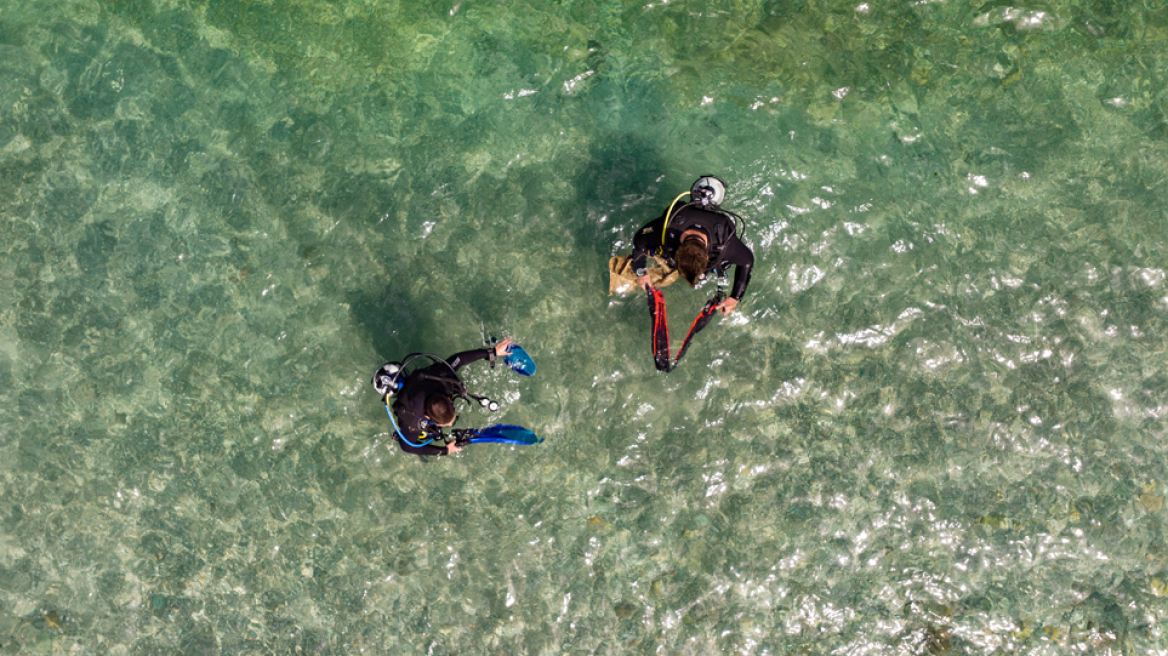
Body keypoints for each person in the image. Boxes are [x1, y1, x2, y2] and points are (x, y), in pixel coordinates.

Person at [624, 176, 754, 312]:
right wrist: (640, 272)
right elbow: (639, 239)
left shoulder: (723, 242)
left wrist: (736, 297)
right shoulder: (668, 225)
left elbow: (747, 261)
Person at [383, 338, 514, 457]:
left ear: (448, 400)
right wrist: (444, 451)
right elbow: (406, 446)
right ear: (427, 417)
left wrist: (492, 352)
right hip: (408, 399)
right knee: (428, 435)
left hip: (420, 385)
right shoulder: (413, 422)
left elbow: (460, 359)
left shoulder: (441, 378)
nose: (451, 424)